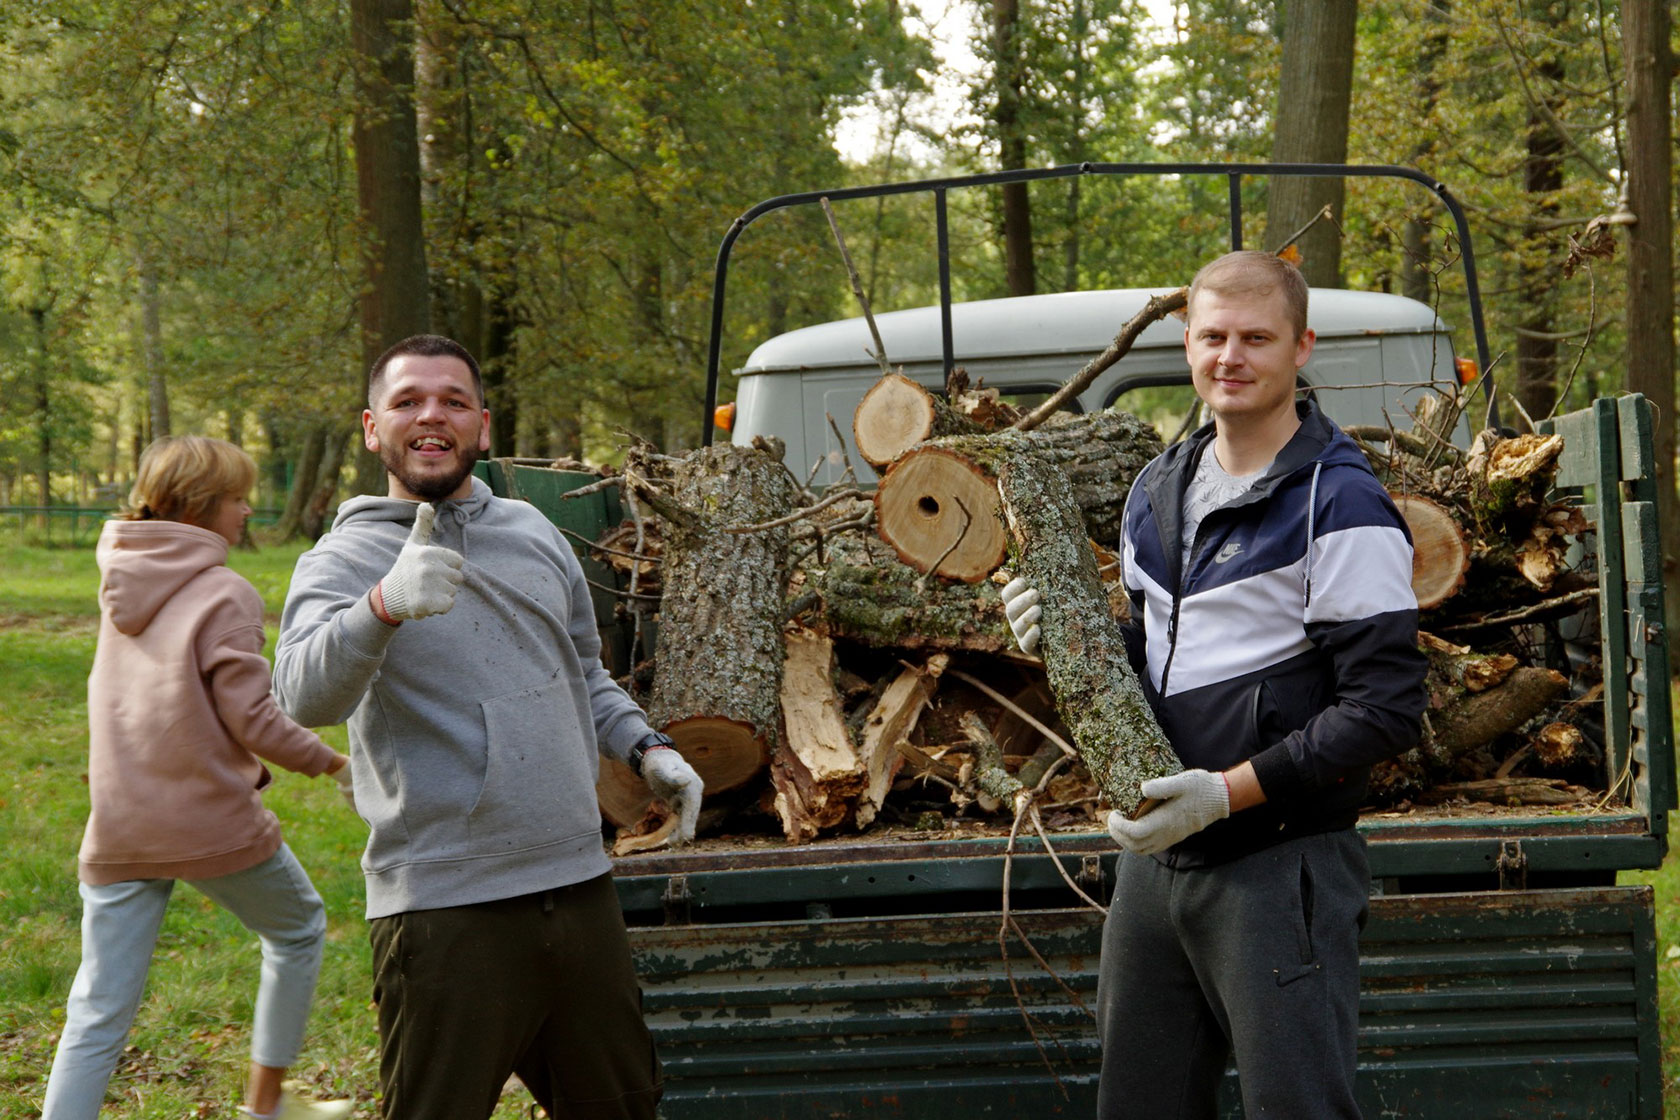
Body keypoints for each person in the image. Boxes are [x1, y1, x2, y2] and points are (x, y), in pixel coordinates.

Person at [1001, 251, 1427, 1119]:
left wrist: (1225, 794)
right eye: (1212, 337)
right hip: (1158, 869)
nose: (1230, 357)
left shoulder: (1339, 504)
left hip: (1281, 866)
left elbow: (1385, 709)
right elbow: (1167, 651)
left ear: (1301, 347)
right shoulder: (1157, 488)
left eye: (1256, 338)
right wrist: (1067, 641)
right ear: (1187, 344)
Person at [272, 334, 702, 1120]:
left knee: (626, 1108)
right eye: (407, 402)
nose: (431, 416)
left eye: (453, 401)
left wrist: (647, 747)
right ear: (374, 428)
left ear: (484, 425)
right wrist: (383, 606)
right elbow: (301, 696)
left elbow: (583, 673)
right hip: (444, 908)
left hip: (578, 890)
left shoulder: (535, 533)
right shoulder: (341, 558)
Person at [43, 436, 353, 1120]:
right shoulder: (224, 593)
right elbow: (253, 718)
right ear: (199, 507)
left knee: (97, 1008)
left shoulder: (119, 578)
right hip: (207, 820)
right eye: (238, 498)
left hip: (119, 823)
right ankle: (267, 1105)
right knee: (299, 927)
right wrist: (333, 764)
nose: (248, 510)